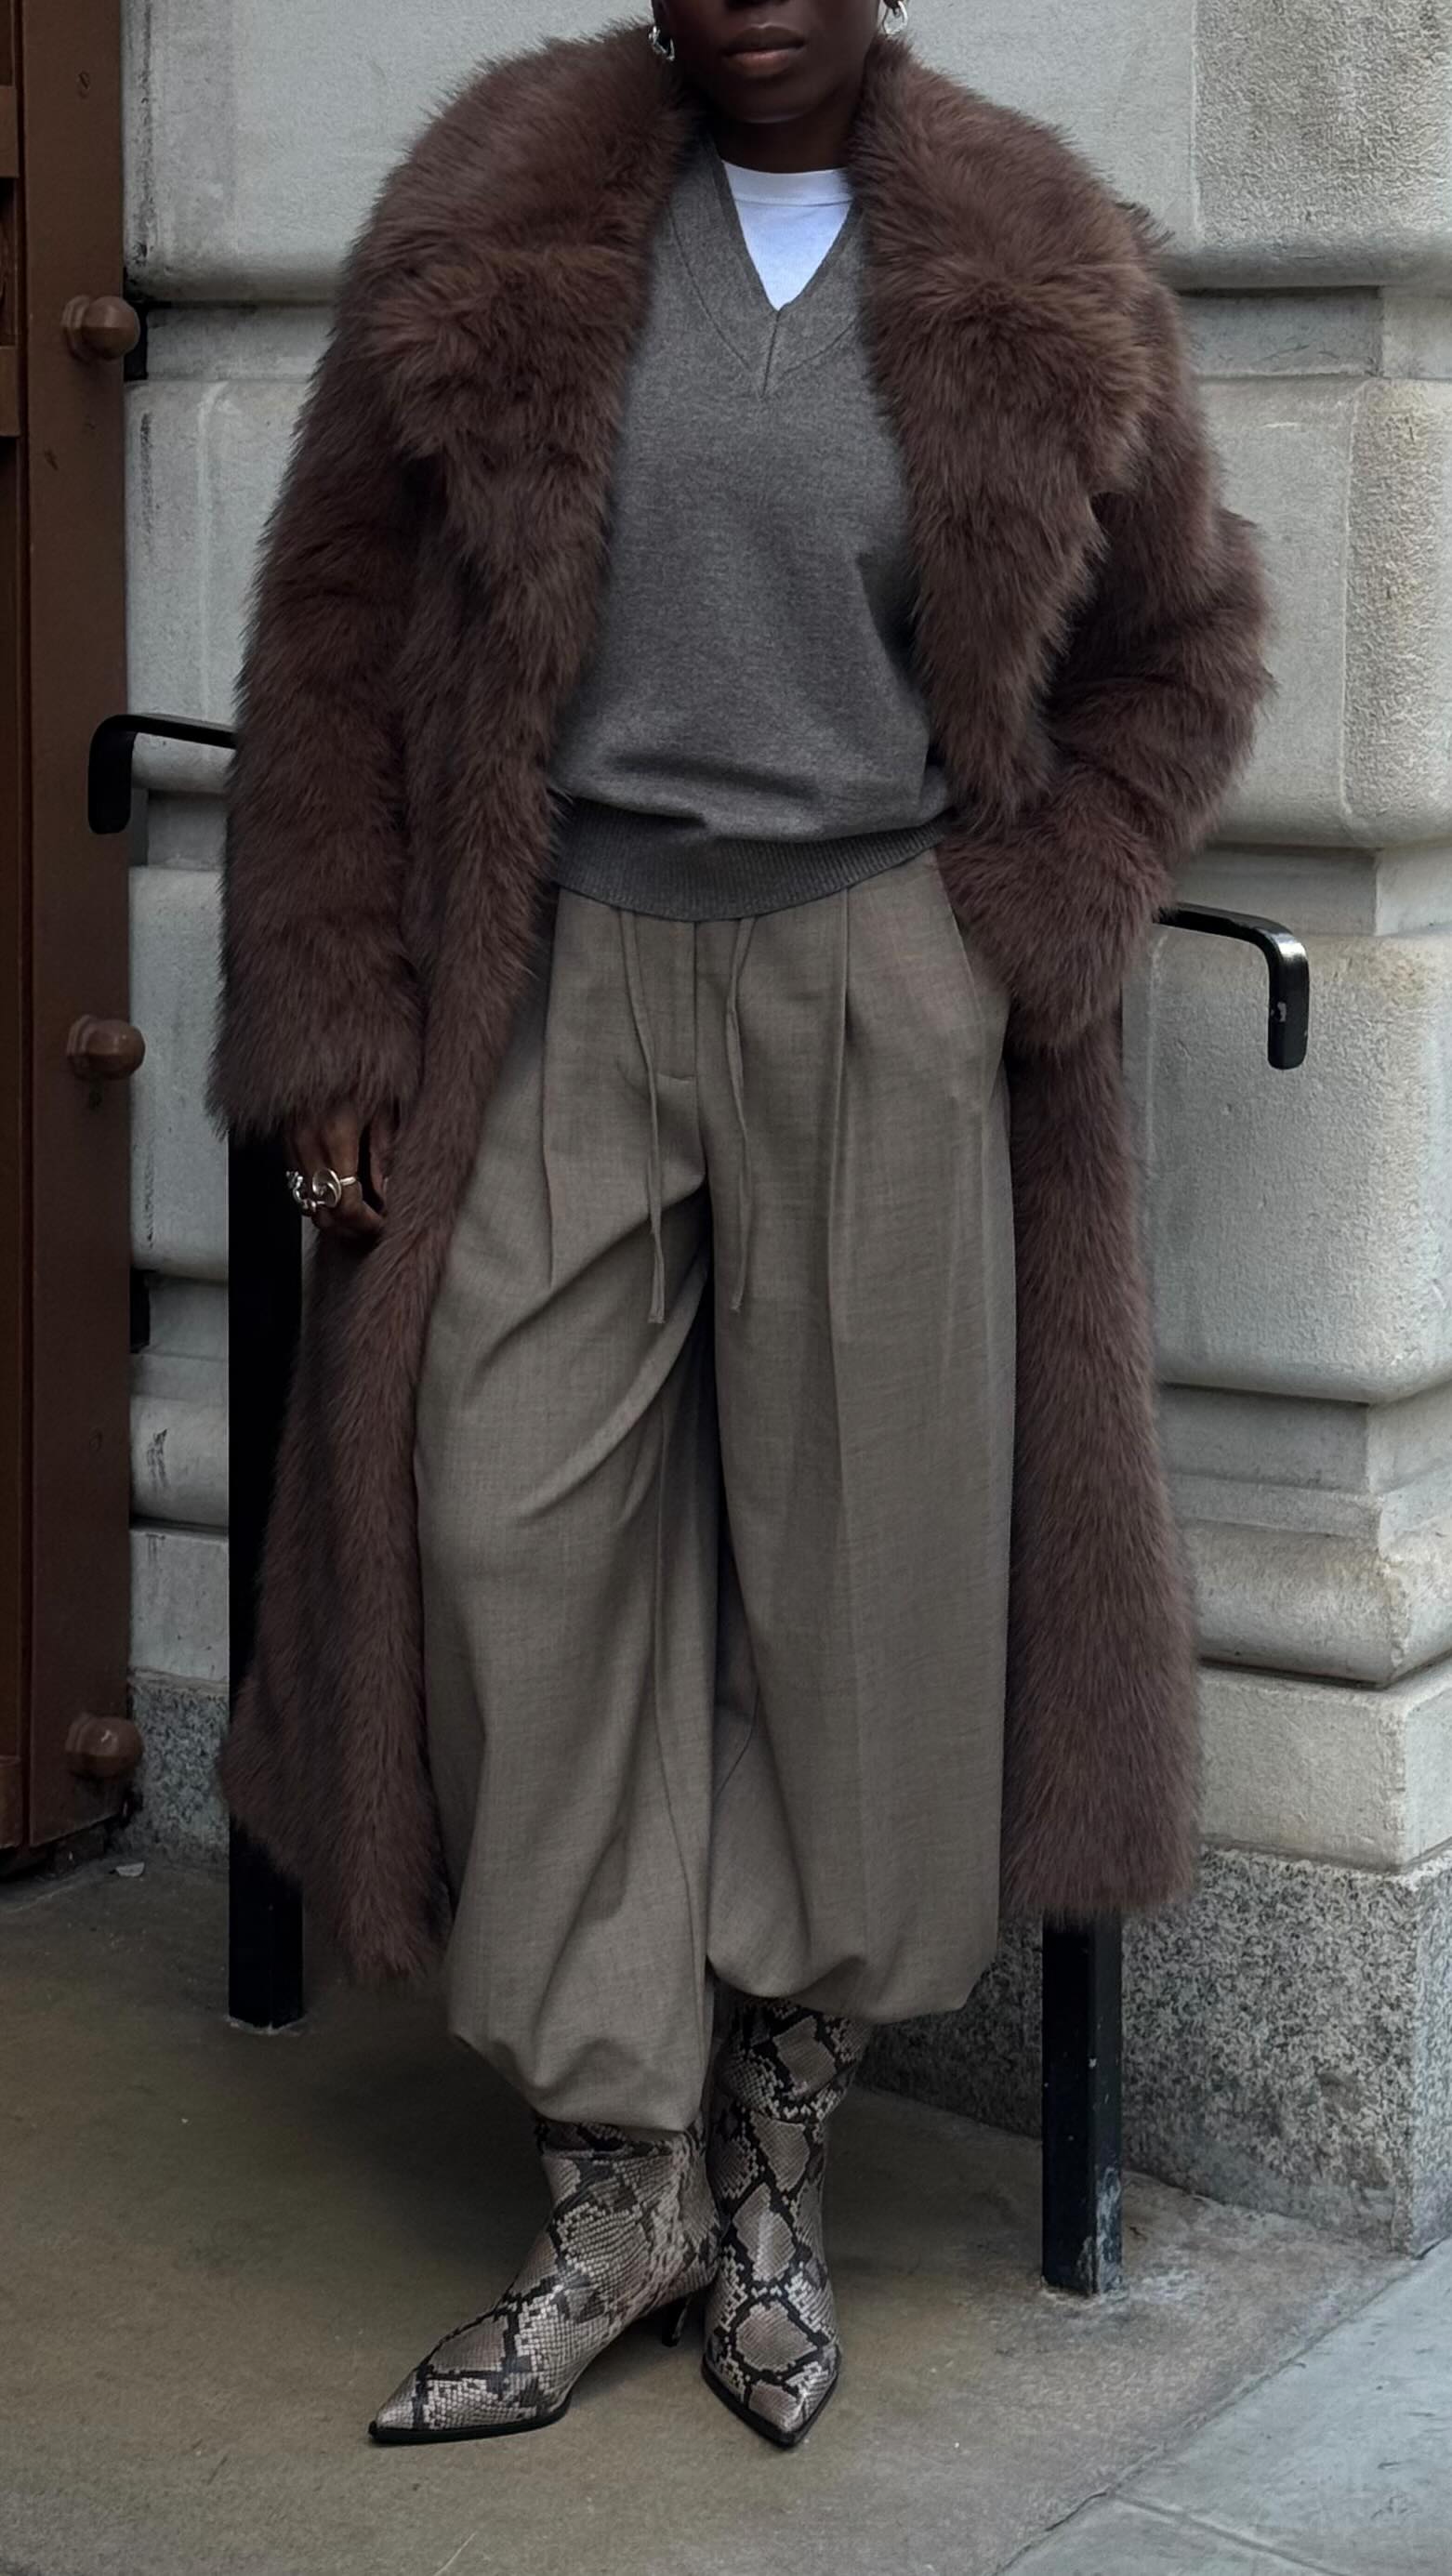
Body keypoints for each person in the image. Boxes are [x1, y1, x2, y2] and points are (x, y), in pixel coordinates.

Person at [207, 1, 1272, 2451]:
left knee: (864, 1578)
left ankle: (762, 2161)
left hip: (874, 977)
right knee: (496, 1519)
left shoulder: (1039, 254)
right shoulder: (501, 200)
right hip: (551, 965)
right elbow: (333, 635)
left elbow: (1182, 643)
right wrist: (341, 1019)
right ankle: (618, 2168)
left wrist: (1035, 913)